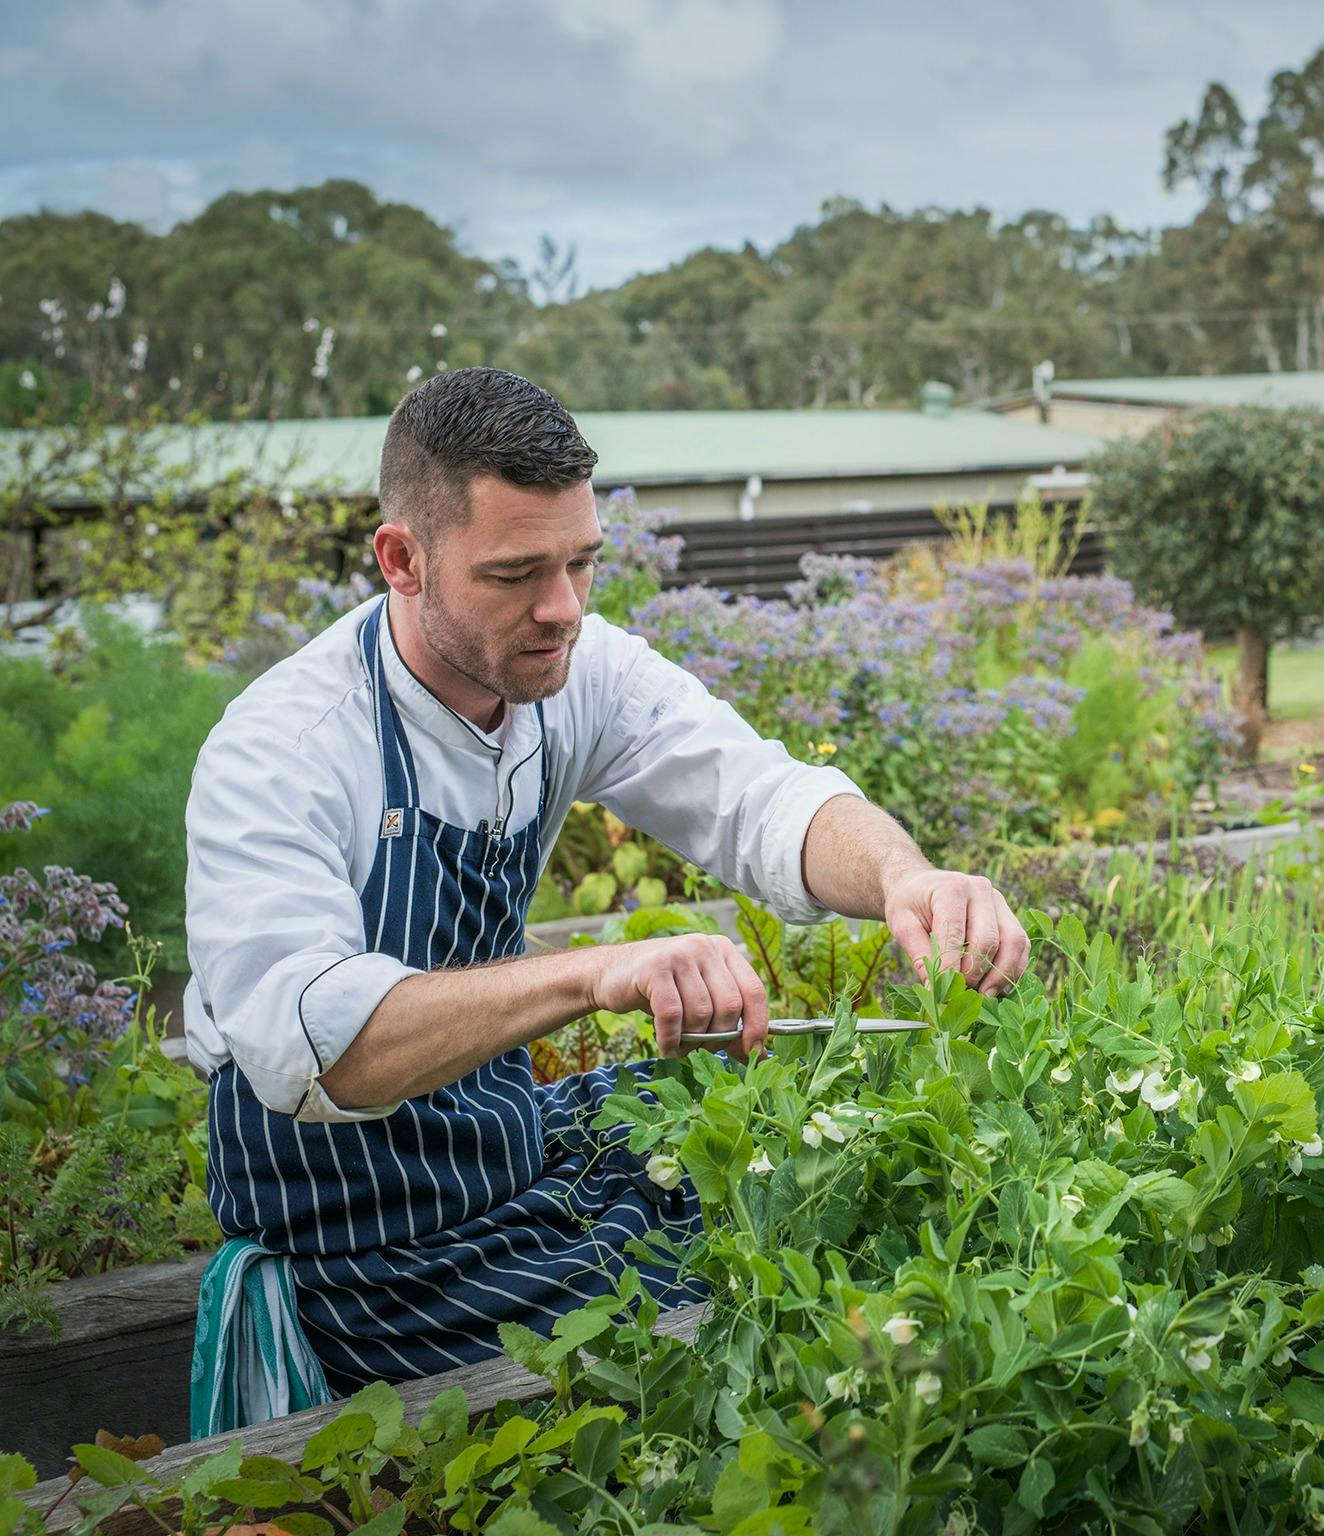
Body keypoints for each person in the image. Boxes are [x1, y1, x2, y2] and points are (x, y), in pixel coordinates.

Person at [182, 366, 1028, 1398]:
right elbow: (320, 1049)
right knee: (739, 1310)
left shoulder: (573, 673)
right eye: (515, 574)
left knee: (805, 1139)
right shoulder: (283, 750)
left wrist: (906, 875)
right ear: (402, 560)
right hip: (372, 1252)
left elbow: (760, 798)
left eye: (582, 562)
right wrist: (596, 974)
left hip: (508, 1154)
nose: (563, 608)